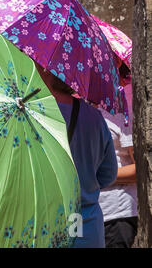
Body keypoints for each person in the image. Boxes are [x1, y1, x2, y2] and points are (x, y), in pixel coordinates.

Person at [35, 63, 118, 248]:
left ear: (47, 72)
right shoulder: (95, 118)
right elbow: (109, 174)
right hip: (87, 225)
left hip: (46, 225)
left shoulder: (36, 114)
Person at [98, 61, 137, 248]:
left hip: (116, 215)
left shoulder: (124, 100)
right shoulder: (81, 103)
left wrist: (95, 176)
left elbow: (141, 170)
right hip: (82, 213)